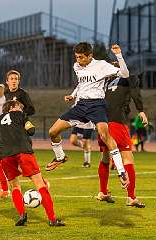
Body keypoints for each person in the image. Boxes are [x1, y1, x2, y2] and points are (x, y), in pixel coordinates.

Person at [46, 42, 130, 188]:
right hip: (80, 106)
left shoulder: (102, 65)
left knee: (105, 135)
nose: (78, 60)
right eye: (76, 57)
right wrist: (73, 95)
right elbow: (81, 83)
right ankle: (60, 157)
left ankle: (121, 171)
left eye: (81, 57)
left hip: (97, 105)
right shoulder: (77, 66)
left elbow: (125, 74)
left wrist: (118, 55)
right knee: (53, 131)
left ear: (90, 56)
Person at [0, 100, 65, 227]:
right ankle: (52, 219)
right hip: (23, 152)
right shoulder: (21, 115)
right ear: (12, 107)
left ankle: (22, 215)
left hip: (5, 156)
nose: (21, 109)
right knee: (40, 184)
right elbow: (31, 131)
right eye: (19, 107)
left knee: (15, 186)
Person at [96, 73, 148, 207]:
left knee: (105, 157)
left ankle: (103, 192)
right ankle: (131, 197)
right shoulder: (131, 77)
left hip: (102, 122)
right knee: (128, 158)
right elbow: (135, 92)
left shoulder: (107, 81)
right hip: (117, 122)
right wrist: (141, 110)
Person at [0, 70, 35, 201]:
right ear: (7, 81)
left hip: (19, 131)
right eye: (11, 78)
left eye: (16, 78)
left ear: (18, 81)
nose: (14, 80)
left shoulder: (22, 94)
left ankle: (42, 183)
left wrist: (19, 112)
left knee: (25, 163)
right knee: (1, 162)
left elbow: (32, 109)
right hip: (8, 130)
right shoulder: (6, 94)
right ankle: (4, 190)